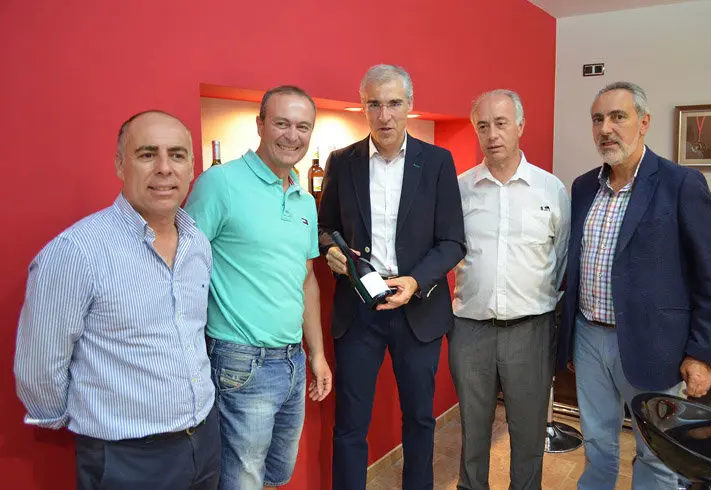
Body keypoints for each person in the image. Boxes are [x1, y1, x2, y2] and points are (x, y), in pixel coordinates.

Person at [14, 110, 220, 490]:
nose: (164, 168)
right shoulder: (77, 252)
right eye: (146, 154)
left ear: (192, 165)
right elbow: (39, 366)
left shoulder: (198, 244)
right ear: (119, 165)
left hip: (204, 440)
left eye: (177, 155)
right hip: (126, 457)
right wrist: (83, 422)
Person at [557, 81, 711, 490]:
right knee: (598, 441)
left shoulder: (680, 184)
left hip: (655, 344)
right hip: (588, 338)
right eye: (598, 119)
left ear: (644, 122)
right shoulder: (584, 187)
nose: (606, 128)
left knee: (656, 451)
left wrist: (700, 354)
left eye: (618, 117)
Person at [318, 64, 466, 490]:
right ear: (363, 106)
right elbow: (325, 225)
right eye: (375, 104)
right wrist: (330, 248)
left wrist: (415, 282)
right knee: (350, 424)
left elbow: (453, 241)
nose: (385, 115)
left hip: (416, 308)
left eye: (394, 104)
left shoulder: (437, 162)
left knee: (419, 418)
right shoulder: (341, 162)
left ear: (410, 106)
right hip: (358, 310)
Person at [184, 85, 332, 490]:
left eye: (303, 126)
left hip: (292, 361)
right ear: (260, 125)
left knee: (275, 474)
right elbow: (181, 266)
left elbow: (306, 281)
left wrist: (315, 354)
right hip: (238, 360)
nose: (292, 135)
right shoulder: (221, 183)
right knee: (240, 480)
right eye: (282, 123)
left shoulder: (303, 199)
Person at [450, 90, 570, 490]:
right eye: (483, 126)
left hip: (531, 330)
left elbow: (563, 259)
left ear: (520, 126)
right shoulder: (460, 189)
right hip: (470, 330)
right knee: (473, 434)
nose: (492, 134)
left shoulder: (551, 190)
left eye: (501, 123)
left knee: (529, 434)